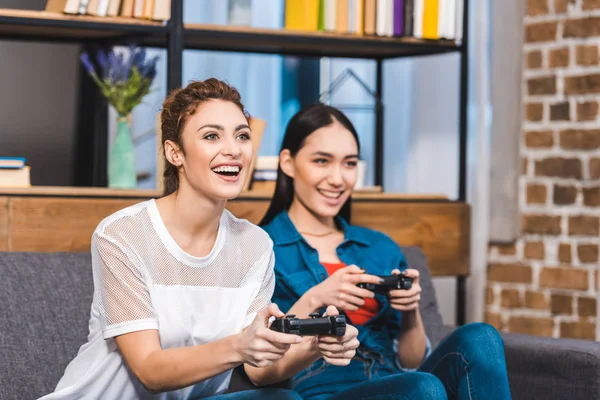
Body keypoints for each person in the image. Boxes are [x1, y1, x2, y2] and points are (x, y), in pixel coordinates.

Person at [41, 80, 359, 400]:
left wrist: (313, 348)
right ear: (175, 152)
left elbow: (257, 370)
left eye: (242, 136)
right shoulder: (122, 236)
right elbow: (150, 369)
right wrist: (239, 345)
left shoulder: (255, 246)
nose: (233, 150)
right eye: (211, 136)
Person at [260, 103, 512, 400]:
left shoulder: (379, 247)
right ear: (288, 163)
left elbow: (411, 361)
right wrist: (317, 297)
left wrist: (409, 312)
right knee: (423, 388)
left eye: (350, 163)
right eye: (322, 161)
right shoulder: (263, 248)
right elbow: (260, 360)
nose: (338, 179)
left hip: (395, 382)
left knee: (480, 337)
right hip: (325, 389)